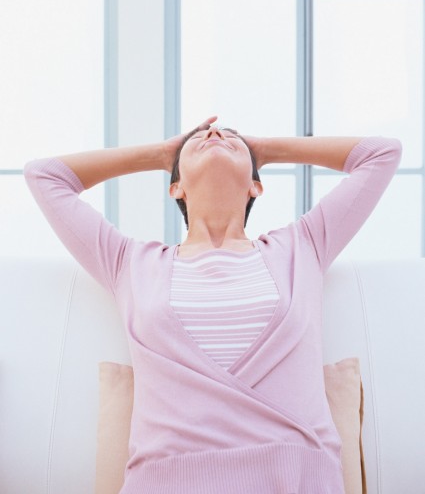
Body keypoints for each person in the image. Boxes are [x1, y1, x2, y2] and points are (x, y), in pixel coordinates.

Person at [24, 117, 402, 493]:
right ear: (175, 188)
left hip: (296, 476)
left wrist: (265, 149)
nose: (215, 132)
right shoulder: (129, 263)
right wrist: (161, 154)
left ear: (256, 186)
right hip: (167, 482)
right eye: (199, 138)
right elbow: (44, 176)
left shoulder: (303, 246)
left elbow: (382, 154)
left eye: (230, 136)